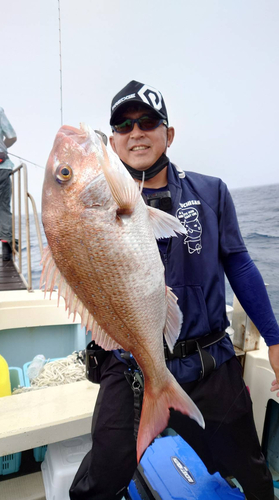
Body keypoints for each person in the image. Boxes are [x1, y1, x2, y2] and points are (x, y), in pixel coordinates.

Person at [70, 80, 279, 500]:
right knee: (97, 485)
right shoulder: (94, 205)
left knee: (252, 477)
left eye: (148, 121)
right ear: (112, 141)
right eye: (124, 126)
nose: (136, 133)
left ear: (169, 133)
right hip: (129, 366)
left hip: (210, 366)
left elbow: (239, 262)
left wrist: (273, 338)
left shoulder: (211, 191)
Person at [0, 106, 17, 259]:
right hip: (1, 167)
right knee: (3, 208)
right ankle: (6, 253)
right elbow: (12, 136)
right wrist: (2, 147)